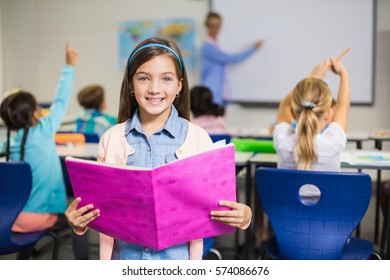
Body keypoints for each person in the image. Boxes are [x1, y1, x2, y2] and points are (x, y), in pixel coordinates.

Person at [65, 37, 252, 260]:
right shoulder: (112, 139)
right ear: (132, 85)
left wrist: (244, 215)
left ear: (179, 86)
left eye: (166, 78)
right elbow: (99, 209)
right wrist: (78, 222)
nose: (154, 88)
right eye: (144, 78)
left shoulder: (198, 139)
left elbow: (219, 208)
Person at [0, 42, 89, 260]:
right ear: (33, 115)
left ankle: (24, 259)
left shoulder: (8, 141)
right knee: (81, 217)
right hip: (40, 218)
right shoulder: (43, 129)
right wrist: (69, 66)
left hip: (10, 218)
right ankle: (85, 266)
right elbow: (61, 100)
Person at [273, 57, 349, 172]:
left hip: (286, 191)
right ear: (328, 114)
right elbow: (343, 105)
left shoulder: (282, 141)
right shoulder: (334, 142)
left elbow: (285, 104)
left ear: (293, 113)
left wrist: (314, 75)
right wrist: (343, 73)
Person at [200, 11, 263, 108]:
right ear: (207, 26)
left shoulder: (217, 45)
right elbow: (233, 59)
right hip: (211, 95)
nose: (215, 29)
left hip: (219, 95)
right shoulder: (208, 47)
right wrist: (253, 48)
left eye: (218, 26)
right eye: (212, 26)